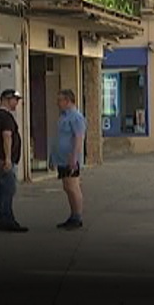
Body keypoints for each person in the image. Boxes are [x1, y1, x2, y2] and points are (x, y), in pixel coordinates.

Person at [0, 89, 27, 232]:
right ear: (7, 99)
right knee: (8, 190)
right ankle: (7, 220)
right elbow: (7, 137)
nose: (16, 103)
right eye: (15, 100)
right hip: (3, 160)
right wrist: (8, 158)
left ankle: (0, 219)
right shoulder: (5, 117)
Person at [53, 89, 88, 230]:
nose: (58, 103)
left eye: (60, 100)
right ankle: (72, 215)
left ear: (67, 101)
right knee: (67, 187)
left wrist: (74, 157)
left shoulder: (76, 117)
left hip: (70, 159)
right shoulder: (63, 117)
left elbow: (79, 138)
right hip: (62, 159)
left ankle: (77, 217)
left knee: (73, 187)